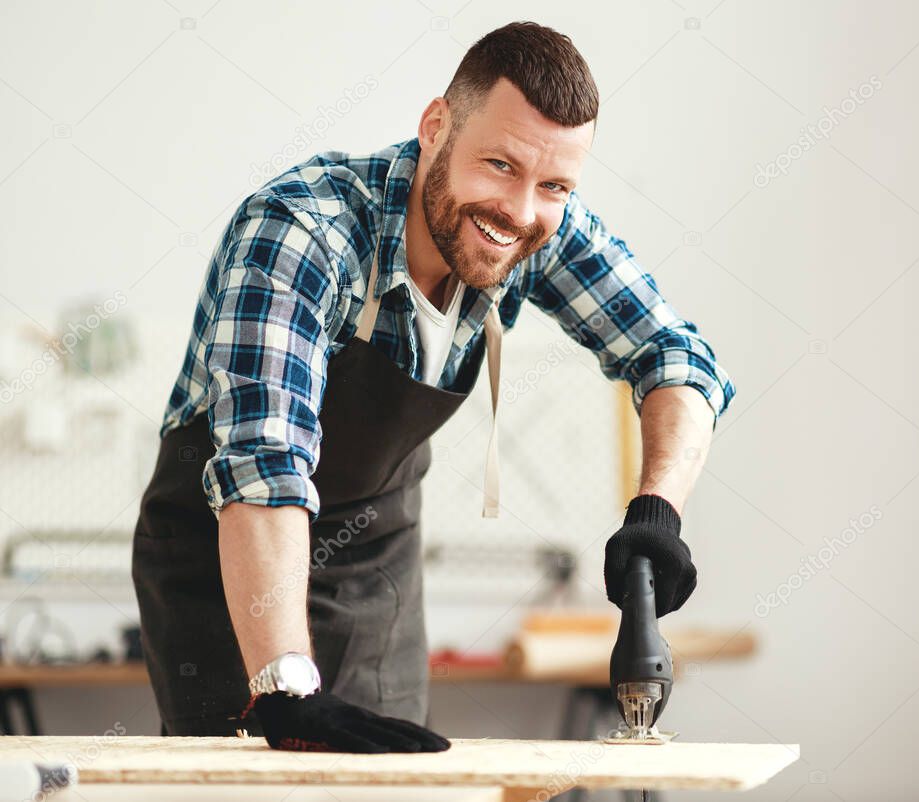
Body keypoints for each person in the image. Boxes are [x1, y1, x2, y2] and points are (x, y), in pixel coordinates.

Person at [131, 20, 735, 752]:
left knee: (395, 782)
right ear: (436, 126)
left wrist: (657, 512)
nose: (519, 209)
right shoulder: (303, 230)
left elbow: (676, 357)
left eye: (555, 184)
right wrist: (283, 680)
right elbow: (266, 465)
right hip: (226, 554)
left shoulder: (535, 225)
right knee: (247, 781)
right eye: (499, 165)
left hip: (370, 555)